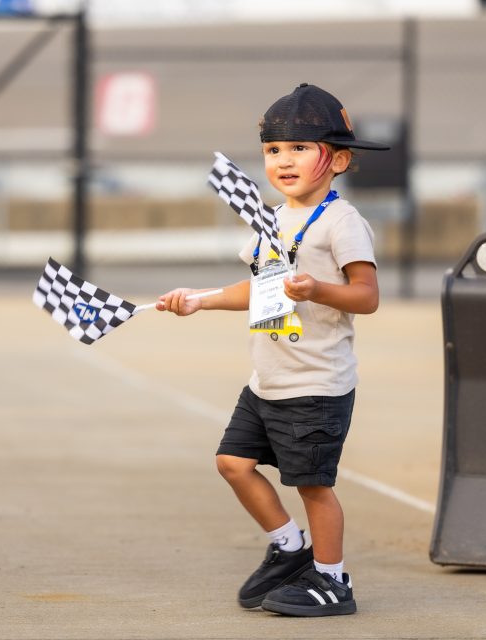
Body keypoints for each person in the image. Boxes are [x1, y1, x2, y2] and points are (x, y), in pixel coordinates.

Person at [157, 83, 387, 617]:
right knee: (232, 462)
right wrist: (199, 300)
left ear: (340, 160)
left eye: (301, 148)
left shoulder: (342, 222)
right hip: (267, 381)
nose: (283, 160)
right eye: (273, 150)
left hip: (316, 384)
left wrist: (317, 289)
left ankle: (332, 581)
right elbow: (258, 290)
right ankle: (290, 549)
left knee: (313, 486)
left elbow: (367, 296)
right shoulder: (268, 221)